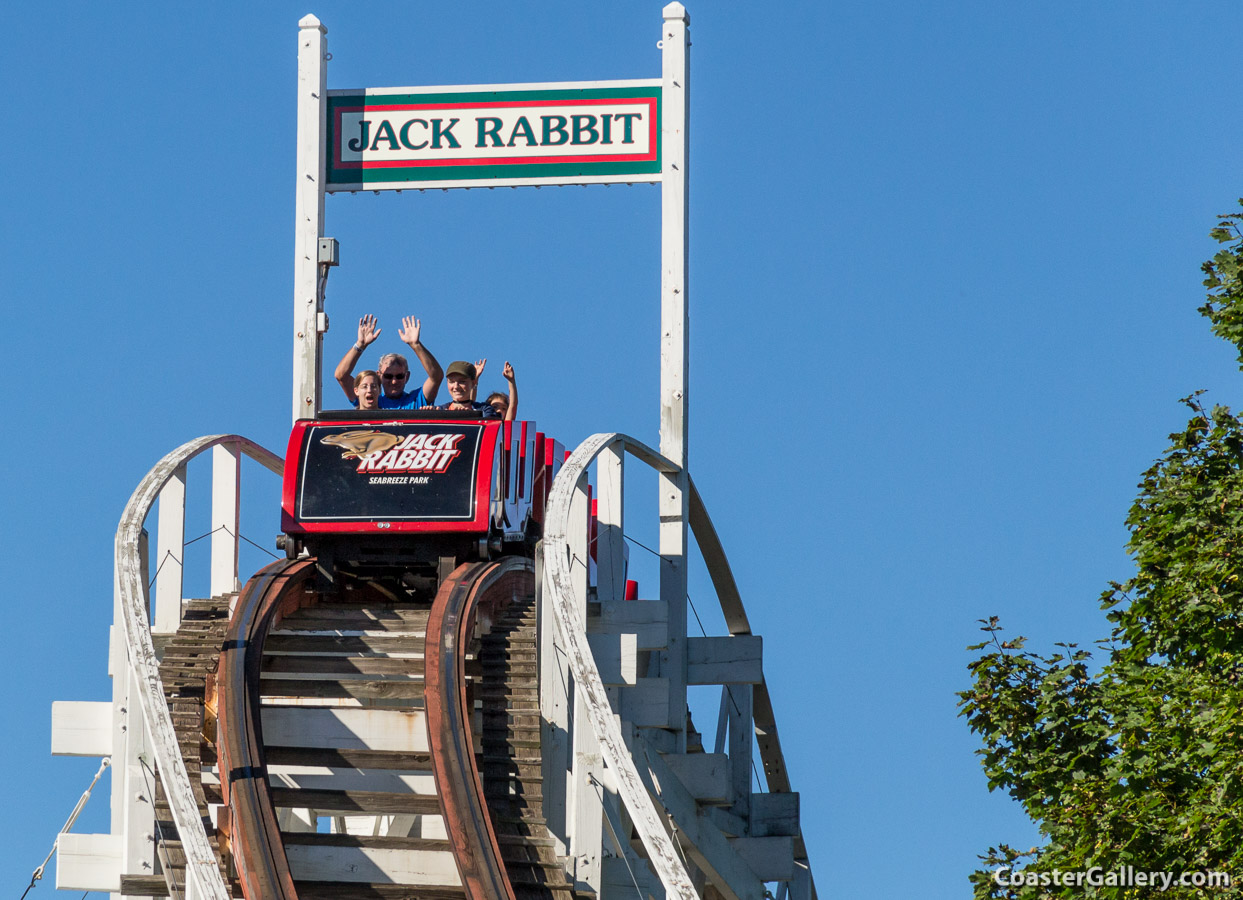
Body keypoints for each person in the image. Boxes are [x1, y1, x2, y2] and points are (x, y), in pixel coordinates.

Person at [334, 314, 443, 409]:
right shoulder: (370, 399)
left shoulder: (416, 400)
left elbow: (436, 377)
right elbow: (341, 376)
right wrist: (360, 345)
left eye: (399, 376)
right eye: (388, 376)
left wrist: (416, 345)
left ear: (407, 376)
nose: (394, 381)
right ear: (379, 376)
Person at [433, 361, 500, 417]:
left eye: (462, 382)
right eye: (452, 381)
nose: (456, 386)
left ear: (473, 383)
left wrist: (470, 415)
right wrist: (426, 413)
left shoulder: (484, 410)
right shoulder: (439, 410)